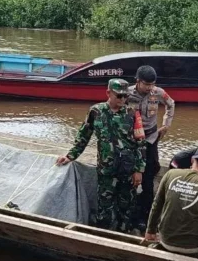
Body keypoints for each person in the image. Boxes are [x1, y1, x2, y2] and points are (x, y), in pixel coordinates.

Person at [56, 78, 145, 233]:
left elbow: (141, 143)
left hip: (128, 170)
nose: (123, 100)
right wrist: (70, 156)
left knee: (126, 208)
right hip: (106, 170)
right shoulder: (96, 112)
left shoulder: (132, 114)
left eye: (125, 97)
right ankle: (103, 236)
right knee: (104, 207)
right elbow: (83, 136)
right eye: (119, 96)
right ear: (108, 93)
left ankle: (125, 236)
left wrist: (139, 170)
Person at [145, 145, 198, 254]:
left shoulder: (170, 174)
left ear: (192, 160)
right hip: (192, 247)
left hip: (166, 240)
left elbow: (156, 204)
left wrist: (150, 231)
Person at [127, 65, 175, 231]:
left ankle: (144, 215)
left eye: (152, 84)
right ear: (138, 81)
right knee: (129, 175)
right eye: (146, 84)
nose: (149, 88)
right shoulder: (127, 93)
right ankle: (128, 214)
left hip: (151, 138)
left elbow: (171, 104)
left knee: (149, 175)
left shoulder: (158, 93)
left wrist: (166, 125)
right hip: (132, 140)